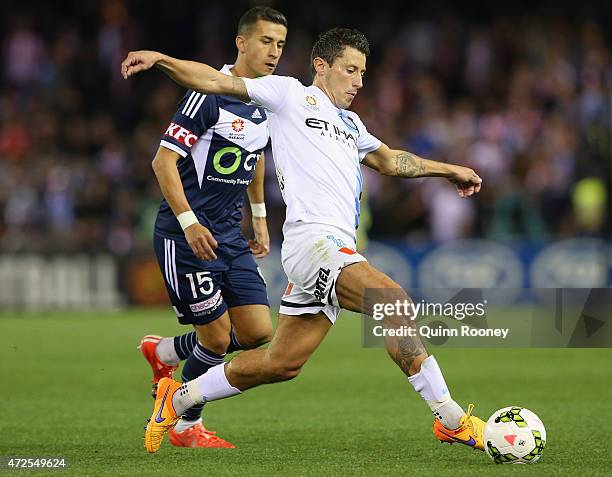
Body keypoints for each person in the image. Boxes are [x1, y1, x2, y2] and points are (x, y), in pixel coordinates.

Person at [121, 27, 485, 455]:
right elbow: (216, 81)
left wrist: (449, 169)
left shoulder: (351, 124)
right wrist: (161, 59)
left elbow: (390, 160)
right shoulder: (289, 96)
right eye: (350, 70)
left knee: (281, 363)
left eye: (363, 73)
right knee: (392, 302)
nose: (358, 82)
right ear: (321, 65)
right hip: (314, 244)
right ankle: (451, 419)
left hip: (334, 248)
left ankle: (179, 398)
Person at [137, 6, 288, 449]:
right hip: (185, 238)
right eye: (265, 41)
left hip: (228, 233)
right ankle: (186, 427)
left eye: (280, 44)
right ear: (241, 42)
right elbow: (162, 162)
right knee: (218, 339)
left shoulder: (264, 100)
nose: (274, 52)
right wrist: (188, 223)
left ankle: (164, 352)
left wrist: (259, 215)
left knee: (259, 332)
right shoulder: (207, 95)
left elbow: (256, 154)